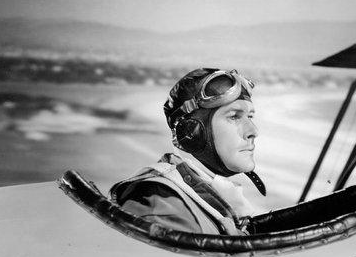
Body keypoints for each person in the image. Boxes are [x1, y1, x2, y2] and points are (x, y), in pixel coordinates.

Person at [110, 68, 266, 234]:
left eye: (250, 116)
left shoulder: (204, 199)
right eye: (234, 116)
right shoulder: (162, 204)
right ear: (192, 132)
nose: (253, 131)